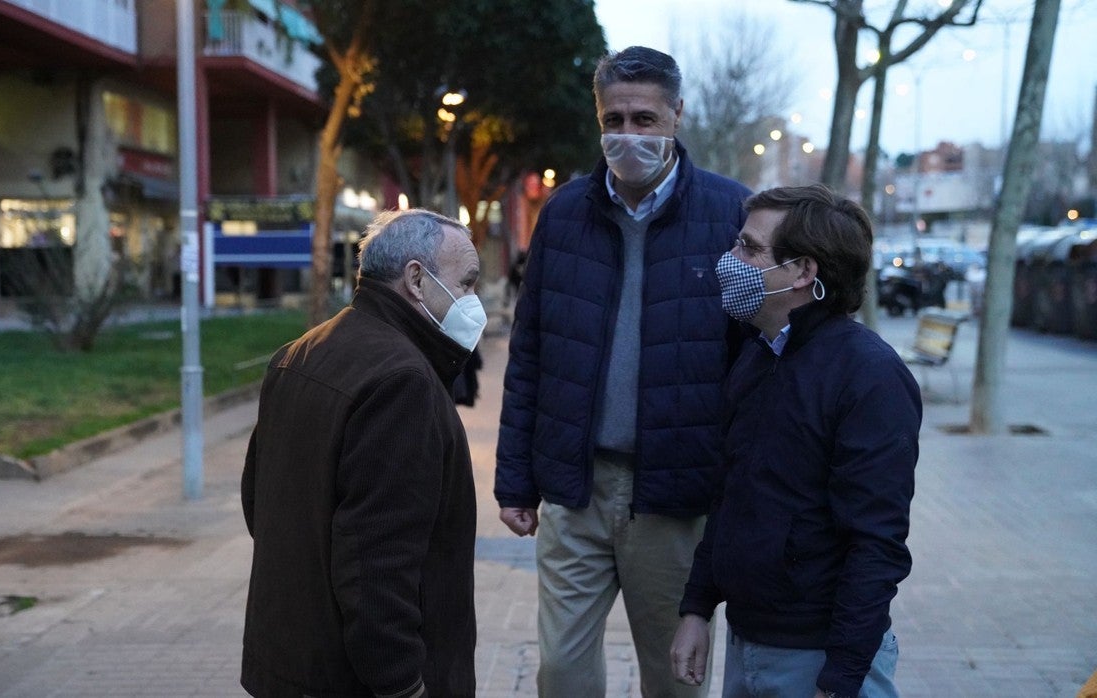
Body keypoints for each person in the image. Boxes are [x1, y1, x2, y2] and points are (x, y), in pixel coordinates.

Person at [495, 45, 751, 697]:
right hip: (576, 488)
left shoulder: (732, 215)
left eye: (645, 119)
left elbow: (754, 364)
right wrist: (515, 481)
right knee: (561, 671)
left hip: (674, 496)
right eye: (615, 120)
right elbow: (530, 352)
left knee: (675, 678)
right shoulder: (564, 214)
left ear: (677, 116)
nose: (629, 135)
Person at [670, 184, 921, 698]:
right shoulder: (759, 355)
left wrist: (841, 679)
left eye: (749, 248)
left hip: (820, 658)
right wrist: (697, 607)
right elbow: (731, 495)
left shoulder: (869, 376)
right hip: (750, 642)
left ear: (804, 272)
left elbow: (876, 542)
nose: (729, 260)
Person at [240, 209, 484, 698]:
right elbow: (377, 562)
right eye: (468, 282)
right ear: (417, 279)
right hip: (357, 681)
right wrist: (403, 685)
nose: (473, 300)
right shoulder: (403, 382)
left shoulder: (299, 353)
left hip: (289, 662)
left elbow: (256, 502)